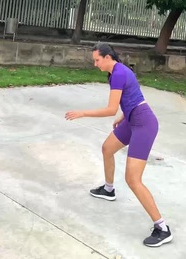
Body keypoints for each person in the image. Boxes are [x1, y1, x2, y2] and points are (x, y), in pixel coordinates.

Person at [65, 43, 172, 248]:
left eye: (97, 60)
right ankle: (109, 189)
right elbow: (134, 97)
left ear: (107, 57)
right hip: (132, 120)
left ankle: (162, 228)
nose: (95, 64)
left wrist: (82, 113)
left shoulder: (119, 74)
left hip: (144, 124)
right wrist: (124, 116)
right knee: (107, 148)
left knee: (133, 179)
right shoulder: (118, 72)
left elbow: (110, 109)